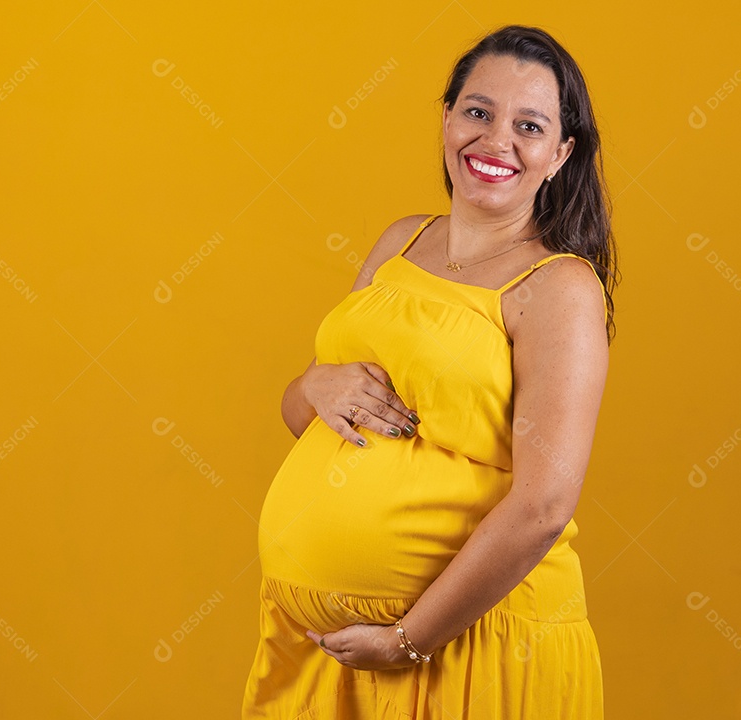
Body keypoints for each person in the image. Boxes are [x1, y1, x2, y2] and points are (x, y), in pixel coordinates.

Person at [241, 24, 617, 719]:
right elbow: (312, 418)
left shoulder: (558, 289)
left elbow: (543, 508)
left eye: (528, 125)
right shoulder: (400, 241)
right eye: (478, 111)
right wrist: (312, 385)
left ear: (560, 154)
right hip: (332, 654)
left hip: (471, 649)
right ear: (447, 118)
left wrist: (410, 640)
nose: (495, 140)